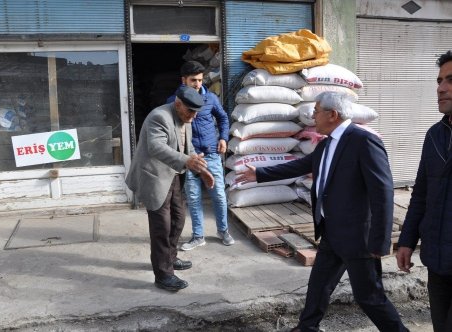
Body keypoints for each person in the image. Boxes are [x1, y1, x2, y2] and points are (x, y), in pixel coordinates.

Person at [235, 91, 408, 332]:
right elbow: (301, 165)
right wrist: (260, 174)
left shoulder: (363, 141)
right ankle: (307, 328)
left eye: (316, 112)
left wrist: (380, 241)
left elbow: (383, 192)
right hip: (331, 231)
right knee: (319, 286)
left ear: (332, 115)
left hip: (359, 238)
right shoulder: (326, 143)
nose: (312, 117)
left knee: (369, 297)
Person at [125, 86, 215, 292]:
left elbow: (188, 147)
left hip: (172, 175)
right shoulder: (159, 117)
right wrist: (187, 161)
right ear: (177, 104)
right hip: (154, 177)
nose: (193, 117)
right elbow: (156, 147)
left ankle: (170, 258)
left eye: (196, 112)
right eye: (189, 111)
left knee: (178, 219)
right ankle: (163, 274)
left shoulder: (186, 119)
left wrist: (201, 170)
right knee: (161, 227)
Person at [396, 50, 452, 332]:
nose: (441, 88)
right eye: (440, 80)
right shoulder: (434, 135)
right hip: (438, 262)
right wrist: (407, 240)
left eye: (451, 80)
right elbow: (421, 193)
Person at [167, 60, 234, 250]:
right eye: (193, 81)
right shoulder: (175, 102)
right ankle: (198, 236)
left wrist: (223, 138)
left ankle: (223, 230)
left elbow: (222, 117)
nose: (197, 85)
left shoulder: (210, 98)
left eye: (200, 80)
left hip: (211, 155)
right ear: (183, 81)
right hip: (189, 159)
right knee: (194, 197)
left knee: (219, 195)